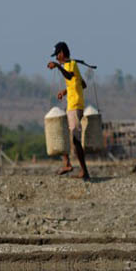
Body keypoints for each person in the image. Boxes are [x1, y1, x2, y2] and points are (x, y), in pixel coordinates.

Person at [47, 41, 90, 181]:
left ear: (62, 53)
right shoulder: (70, 66)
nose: (56, 58)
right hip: (71, 104)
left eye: (57, 56)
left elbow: (70, 76)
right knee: (63, 133)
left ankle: (84, 172)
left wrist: (58, 66)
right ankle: (67, 163)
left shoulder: (70, 65)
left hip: (75, 106)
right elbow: (82, 84)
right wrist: (65, 91)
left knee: (75, 140)